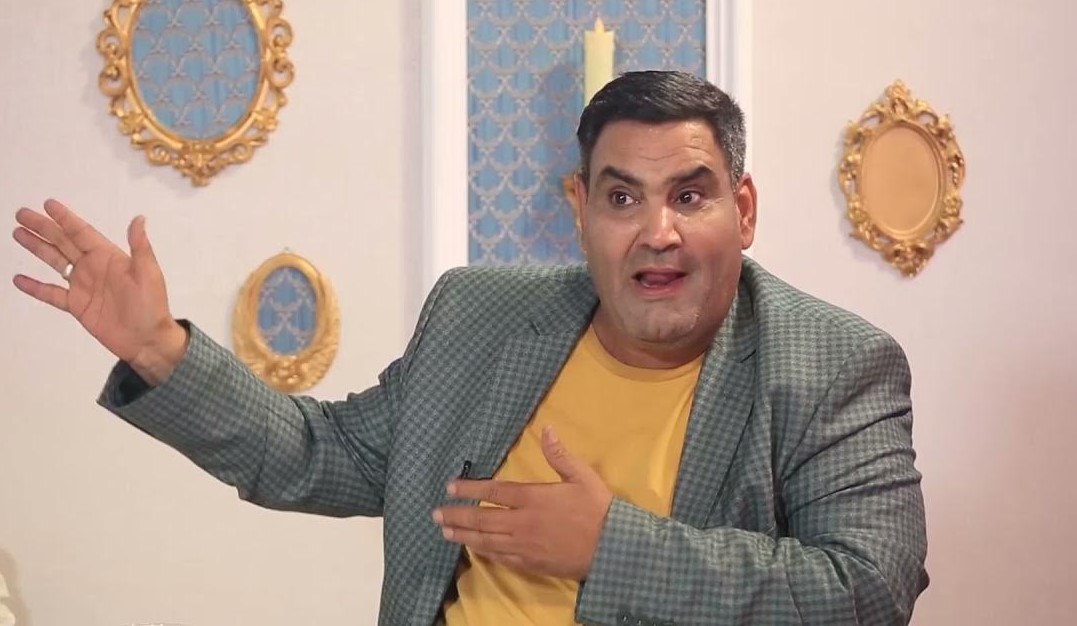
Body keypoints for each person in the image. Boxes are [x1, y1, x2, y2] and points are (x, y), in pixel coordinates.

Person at [11, 71, 928, 625]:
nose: (658, 232)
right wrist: (160, 349)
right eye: (621, 198)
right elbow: (318, 455)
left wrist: (610, 547)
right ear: (579, 211)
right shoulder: (478, 317)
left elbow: (866, 593)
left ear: (744, 209)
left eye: (690, 196)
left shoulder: (834, 364)